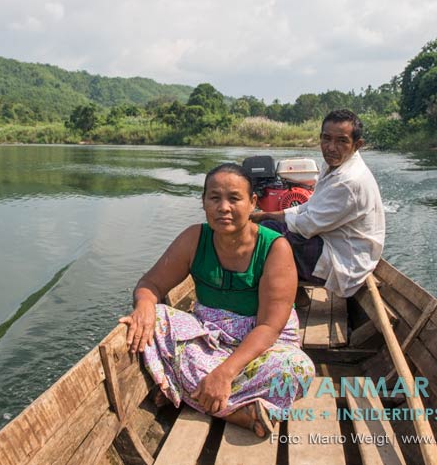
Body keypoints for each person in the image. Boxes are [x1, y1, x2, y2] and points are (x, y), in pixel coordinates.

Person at [119, 163, 315, 437]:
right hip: (208, 339)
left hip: (261, 345)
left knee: (297, 369)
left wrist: (224, 374)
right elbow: (151, 284)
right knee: (159, 317)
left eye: (234, 198)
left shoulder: (274, 248)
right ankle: (238, 413)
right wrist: (144, 305)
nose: (223, 207)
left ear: (252, 203)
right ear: (204, 202)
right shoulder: (193, 238)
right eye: (214, 198)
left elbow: (270, 327)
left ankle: (186, 391)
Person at [250, 109, 385, 298]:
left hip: (346, 262)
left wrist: (263, 217)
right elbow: (309, 206)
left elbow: (307, 226)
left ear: (357, 144)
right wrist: (268, 215)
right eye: (326, 138)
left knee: (265, 238)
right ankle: (296, 293)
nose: (331, 147)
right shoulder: (333, 166)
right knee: (269, 227)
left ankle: (283, 296)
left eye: (341, 141)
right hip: (337, 244)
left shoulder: (349, 181)